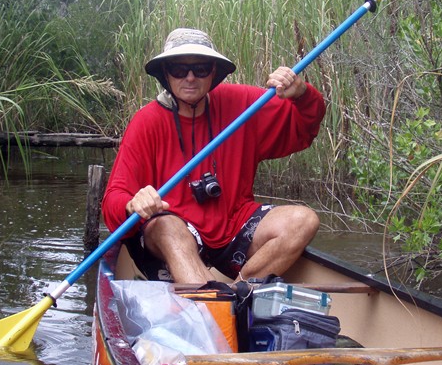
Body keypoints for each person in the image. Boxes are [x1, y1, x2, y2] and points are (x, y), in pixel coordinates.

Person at [102, 28, 327, 284]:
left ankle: (237, 295)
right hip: (173, 235)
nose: (189, 78)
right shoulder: (145, 121)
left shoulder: (243, 104)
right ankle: (211, 303)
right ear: (165, 74)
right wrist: (133, 203)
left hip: (233, 226)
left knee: (303, 220)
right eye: (178, 69)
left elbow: (303, 127)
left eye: (200, 69)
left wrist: (302, 94)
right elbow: (112, 203)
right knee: (167, 227)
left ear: (213, 73)